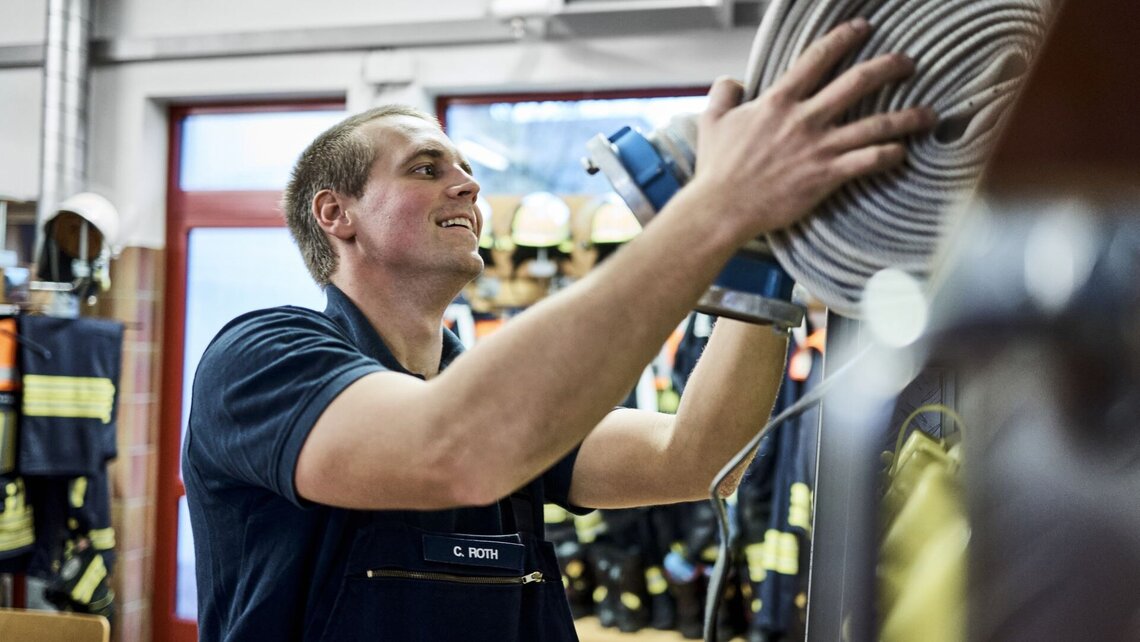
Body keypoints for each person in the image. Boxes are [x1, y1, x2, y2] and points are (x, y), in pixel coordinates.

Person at [183, 18, 935, 642]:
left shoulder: (503, 408)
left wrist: (764, 261)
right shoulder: (263, 359)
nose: (469, 183)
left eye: (467, 166)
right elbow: (451, 447)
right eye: (425, 167)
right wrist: (715, 213)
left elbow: (700, 457)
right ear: (335, 214)